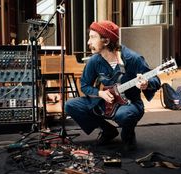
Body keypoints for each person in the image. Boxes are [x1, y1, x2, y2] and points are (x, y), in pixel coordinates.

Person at [65, 20, 161, 150]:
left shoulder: (133, 59)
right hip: (105, 101)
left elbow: (156, 80)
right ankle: (107, 130)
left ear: (106, 41)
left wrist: (146, 83)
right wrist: (100, 93)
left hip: (128, 103)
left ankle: (128, 136)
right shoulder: (94, 61)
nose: (88, 42)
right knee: (71, 105)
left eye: (93, 37)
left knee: (125, 115)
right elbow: (84, 85)